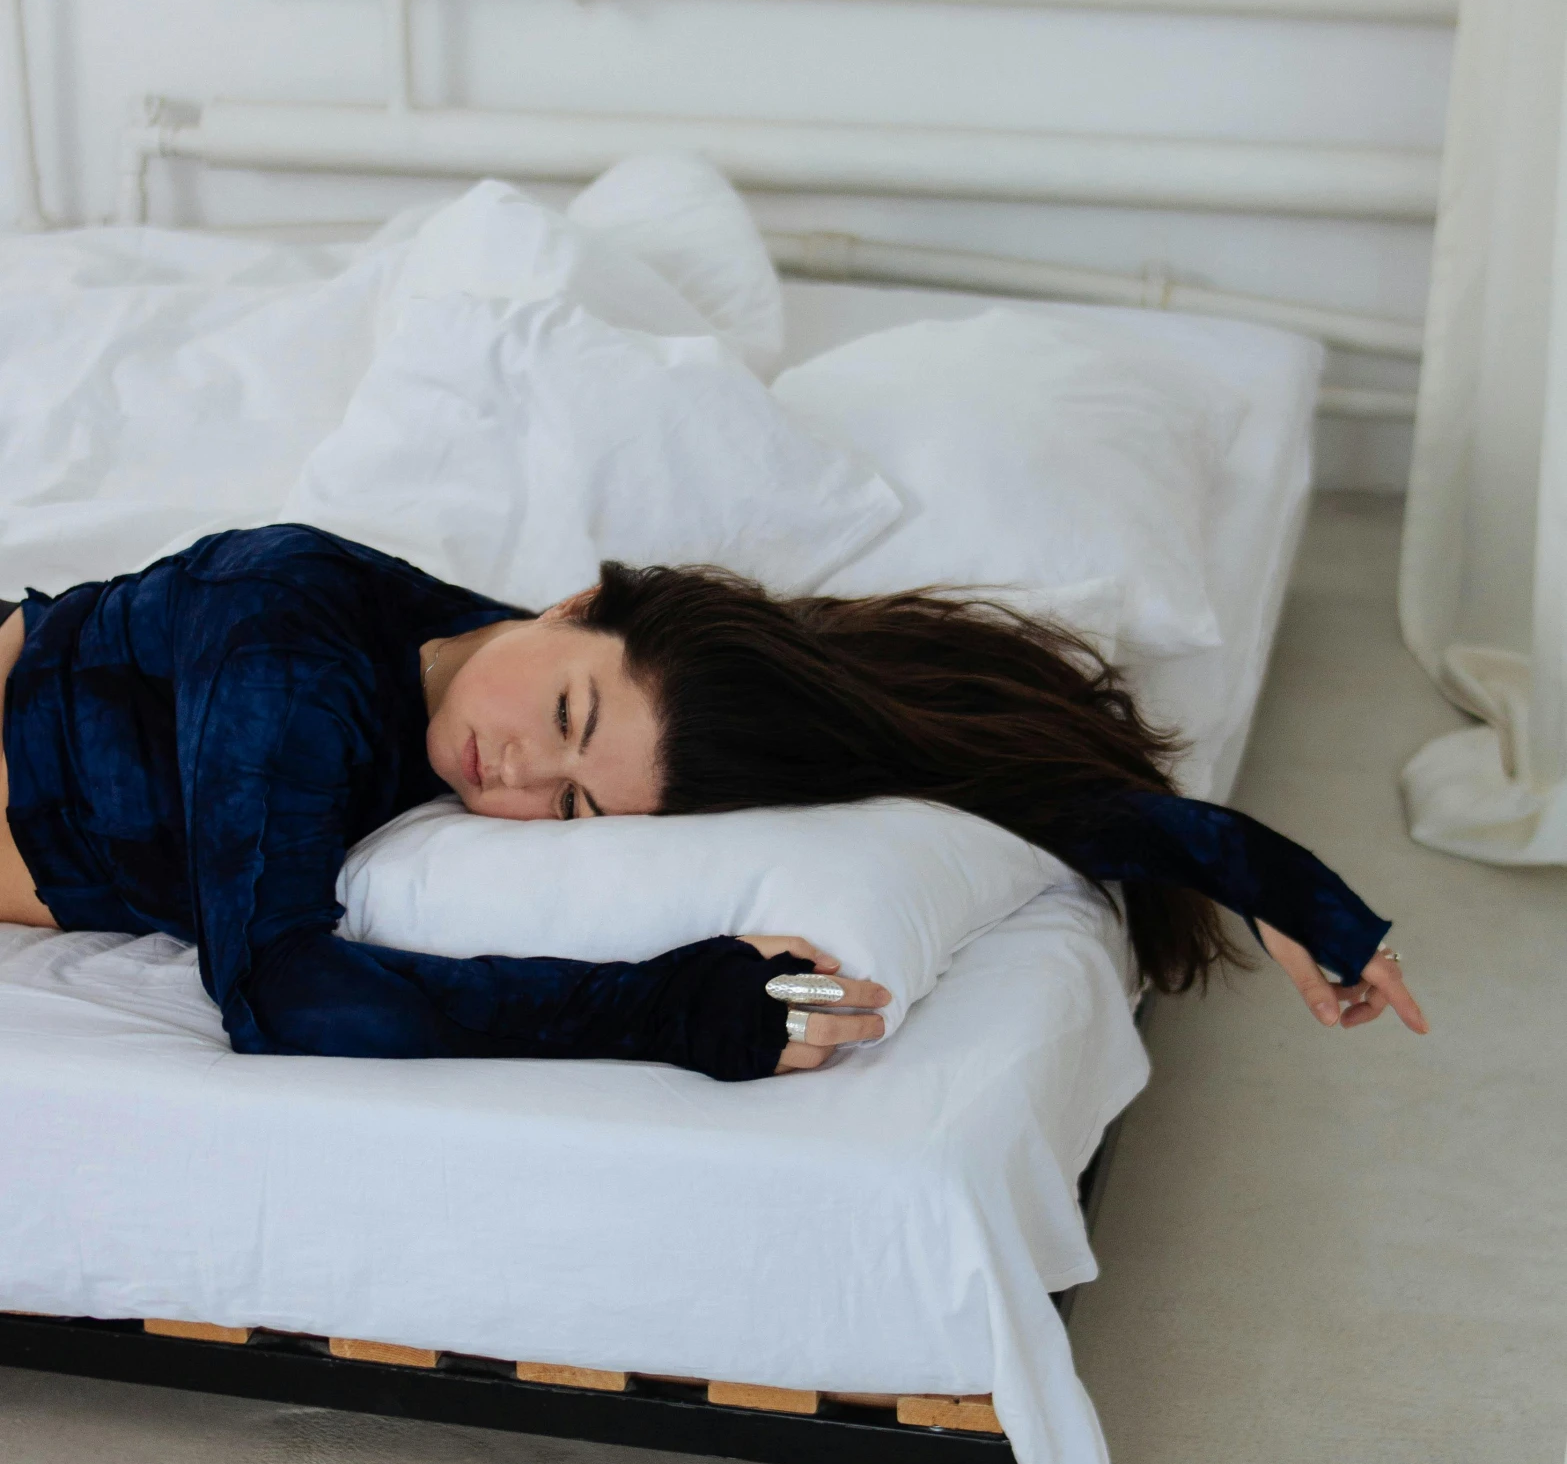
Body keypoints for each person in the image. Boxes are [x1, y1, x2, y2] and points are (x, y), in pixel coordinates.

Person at [0, 524, 1426, 1080]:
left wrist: (1255, 871)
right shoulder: (288, 627)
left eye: (573, 812)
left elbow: (902, 773)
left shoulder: (548, 694)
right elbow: (280, 997)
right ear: (570, 603)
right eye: (563, 717)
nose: (513, 776)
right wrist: (673, 1013)